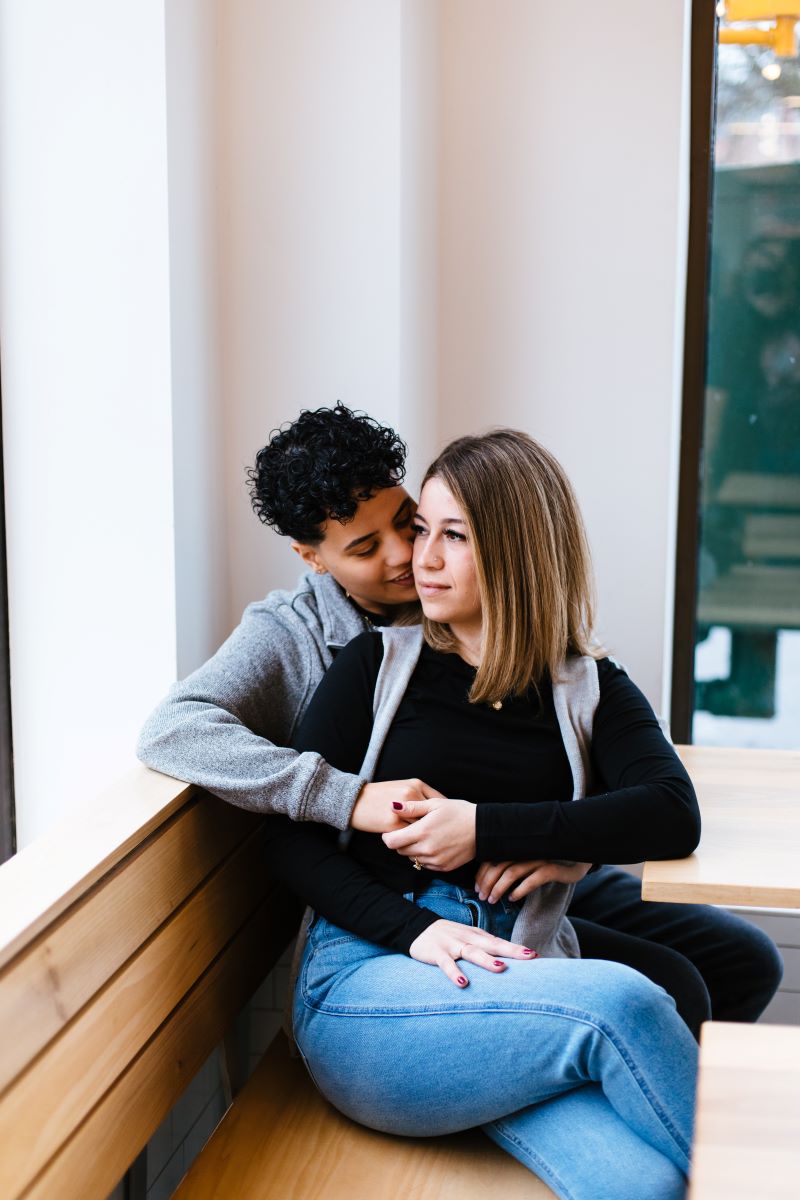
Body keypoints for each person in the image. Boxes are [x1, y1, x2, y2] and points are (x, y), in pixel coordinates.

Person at [137, 403, 782, 1030]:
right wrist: (348, 797)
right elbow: (174, 729)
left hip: (513, 864)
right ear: (312, 557)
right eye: (366, 547)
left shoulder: (476, 609)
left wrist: (566, 850)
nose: (407, 558)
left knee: (738, 959)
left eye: (410, 523)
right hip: (407, 891)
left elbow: (596, 762)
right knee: (664, 986)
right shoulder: (300, 638)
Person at [260, 430, 699, 1200]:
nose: (420, 559)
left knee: (645, 1183)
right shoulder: (376, 665)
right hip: (372, 987)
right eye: (420, 529)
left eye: (452, 537)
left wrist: (489, 827)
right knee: (624, 1002)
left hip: (519, 984)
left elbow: (670, 814)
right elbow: (287, 843)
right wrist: (414, 930)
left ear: (519, 549)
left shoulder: (586, 683)